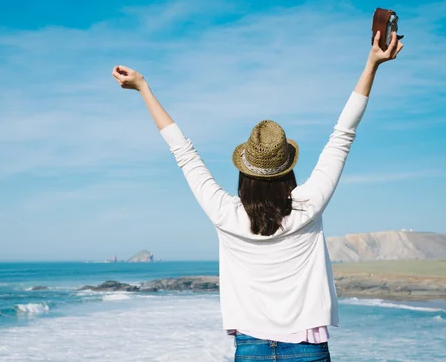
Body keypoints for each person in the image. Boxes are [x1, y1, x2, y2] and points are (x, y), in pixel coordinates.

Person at [112, 30, 404, 361]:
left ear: (244, 171)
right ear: (287, 170)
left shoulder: (224, 213)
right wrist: (371, 65)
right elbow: (343, 135)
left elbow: (183, 152)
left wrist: (143, 87)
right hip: (307, 349)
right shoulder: (309, 205)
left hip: (251, 349)